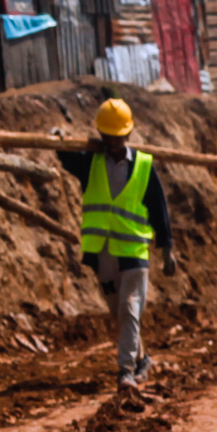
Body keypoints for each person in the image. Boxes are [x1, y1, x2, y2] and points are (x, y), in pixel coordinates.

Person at [55, 97, 173, 389]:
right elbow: (66, 157)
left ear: (128, 135)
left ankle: (126, 370)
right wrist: (57, 140)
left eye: (117, 138)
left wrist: (167, 248)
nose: (111, 143)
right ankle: (142, 358)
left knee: (130, 307)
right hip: (103, 252)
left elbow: (159, 208)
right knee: (118, 312)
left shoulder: (144, 166)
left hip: (134, 251)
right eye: (106, 138)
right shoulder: (90, 163)